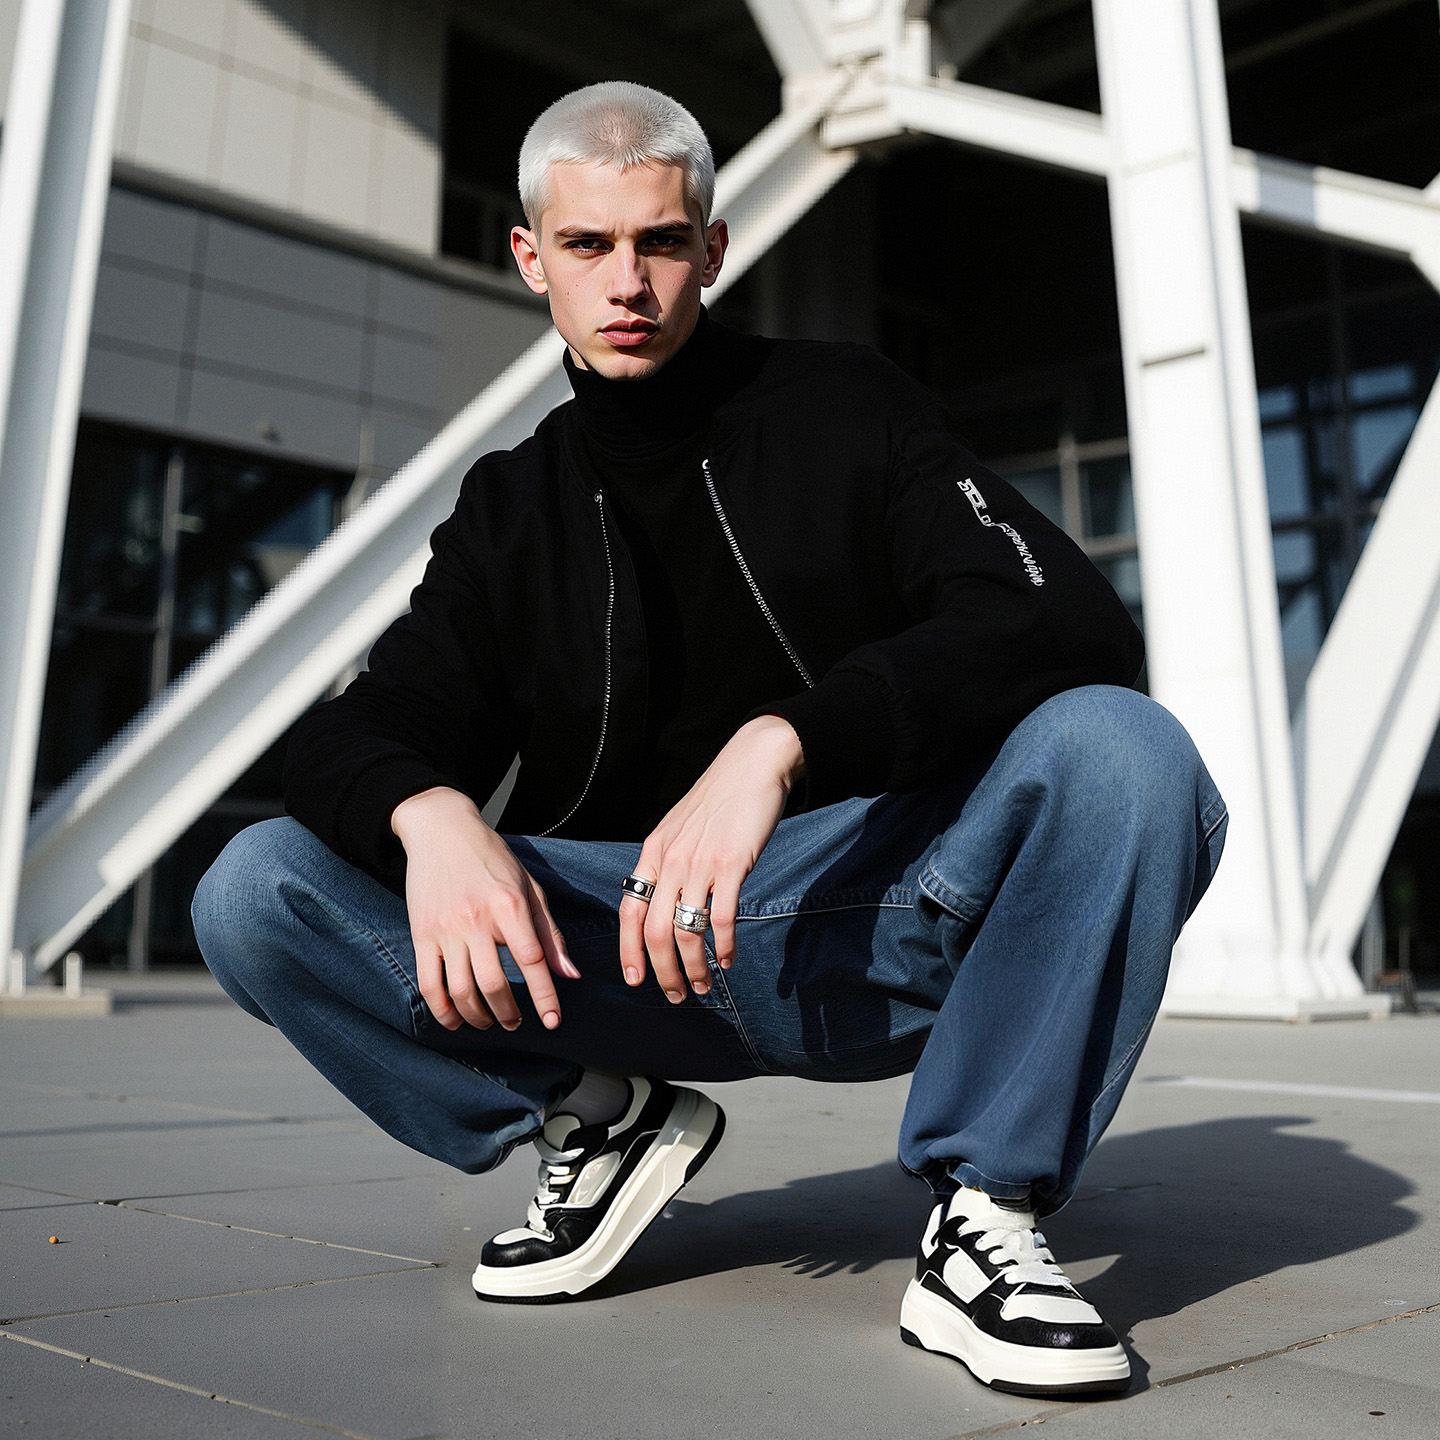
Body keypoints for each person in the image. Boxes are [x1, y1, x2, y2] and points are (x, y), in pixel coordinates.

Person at [193, 81, 1225, 1399]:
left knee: (1125, 749)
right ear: (531, 259)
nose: (627, 283)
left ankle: (986, 1214)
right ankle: (599, 1118)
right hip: (613, 954)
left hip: (876, 919)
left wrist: (782, 743)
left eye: (661, 242)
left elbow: (1058, 611)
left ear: (714, 249)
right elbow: (369, 725)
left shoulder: (844, 405)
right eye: (586, 245)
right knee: (255, 888)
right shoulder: (511, 507)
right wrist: (431, 815)